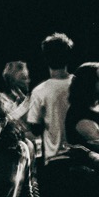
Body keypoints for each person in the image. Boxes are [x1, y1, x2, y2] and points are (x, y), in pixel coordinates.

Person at [27, 32, 74, 162]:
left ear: (46, 59)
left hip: (55, 157)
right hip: (82, 156)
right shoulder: (80, 83)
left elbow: (35, 129)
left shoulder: (39, 91)